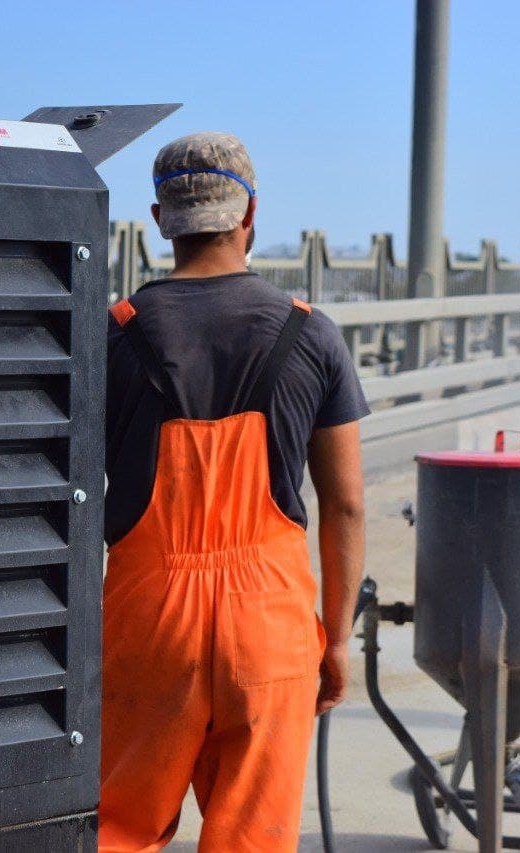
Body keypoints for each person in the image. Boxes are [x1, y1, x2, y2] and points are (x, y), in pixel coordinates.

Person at [101, 132, 369, 852]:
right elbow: (345, 502)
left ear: (161, 220)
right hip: (270, 625)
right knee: (253, 837)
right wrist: (336, 637)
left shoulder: (114, 335)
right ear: (250, 213)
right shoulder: (312, 336)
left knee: (118, 831)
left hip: (147, 620)